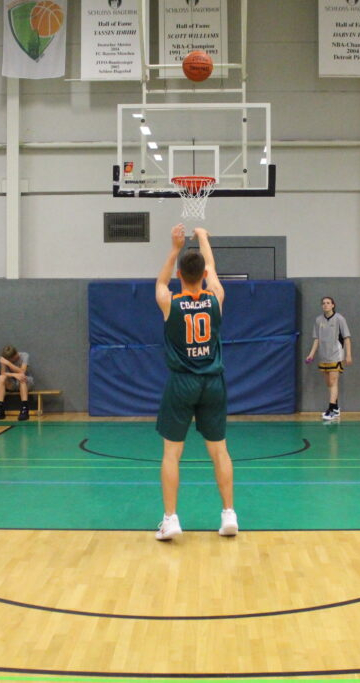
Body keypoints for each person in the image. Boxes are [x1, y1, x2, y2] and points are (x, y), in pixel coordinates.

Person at [153, 224, 237, 541]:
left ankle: (171, 519)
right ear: (203, 274)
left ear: (180, 274)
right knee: (220, 451)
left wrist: (175, 248)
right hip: (212, 382)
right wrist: (202, 236)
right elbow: (211, 267)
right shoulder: (216, 298)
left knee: (171, 454)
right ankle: (229, 514)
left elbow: (160, 283)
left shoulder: (169, 302)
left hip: (182, 382)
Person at [304, 297, 352, 420]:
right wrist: (311, 354)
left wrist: (348, 355)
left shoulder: (339, 319)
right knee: (329, 383)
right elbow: (316, 339)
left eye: (328, 303)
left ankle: (331, 409)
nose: (325, 305)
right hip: (323, 356)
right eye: (323, 303)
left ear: (333, 305)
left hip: (336, 355)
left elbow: (346, 338)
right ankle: (335, 407)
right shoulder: (318, 320)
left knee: (333, 381)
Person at [0, 345, 32, 422]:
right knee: (1, 378)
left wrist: (8, 363)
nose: (14, 360)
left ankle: (24, 409)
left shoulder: (24, 355)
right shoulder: (4, 358)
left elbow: (22, 371)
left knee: (22, 377)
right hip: (12, 382)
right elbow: (3, 373)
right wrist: (14, 375)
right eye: (10, 360)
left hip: (25, 381)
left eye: (14, 358)